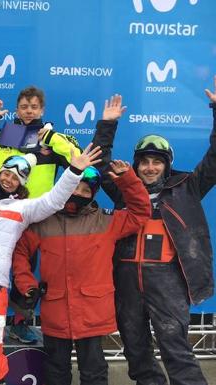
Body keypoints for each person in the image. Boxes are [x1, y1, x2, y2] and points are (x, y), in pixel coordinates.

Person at [0, 103, 102, 385]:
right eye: (6, 172)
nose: (9, 178)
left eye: (16, 177)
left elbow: (54, 200)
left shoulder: (25, 210)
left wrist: (73, 172)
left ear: (21, 184)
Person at [92, 90, 216, 385]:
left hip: (167, 280)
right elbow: (98, 162)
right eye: (144, 162)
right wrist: (106, 125)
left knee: (175, 349)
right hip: (126, 279)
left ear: (167, 165)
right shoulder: (124, 190)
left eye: (156, 162)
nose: (149, 167)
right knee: (136, 352)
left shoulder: (187, 187)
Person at [12, 162, 151, 385]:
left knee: (93, 371)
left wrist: (128, 180)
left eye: (86, 190)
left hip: (92, 313)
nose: (79, 193)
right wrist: (26, 283)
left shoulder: (107, 220)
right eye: (75, 187)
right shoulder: (43, 220)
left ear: (94, 194)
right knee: (56, 371)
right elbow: (20, 252)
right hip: (56, 309)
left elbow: (141, 212)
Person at [0, 86, 82, 344]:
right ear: (18, 108)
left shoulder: (53, 138)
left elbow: (76, 158)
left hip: (33, 217)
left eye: (34, 107)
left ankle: (20, 323)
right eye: (24, 106)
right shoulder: (7, 132)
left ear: (42, 110)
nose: (29, 111)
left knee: (26, 272)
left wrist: (52, 137)